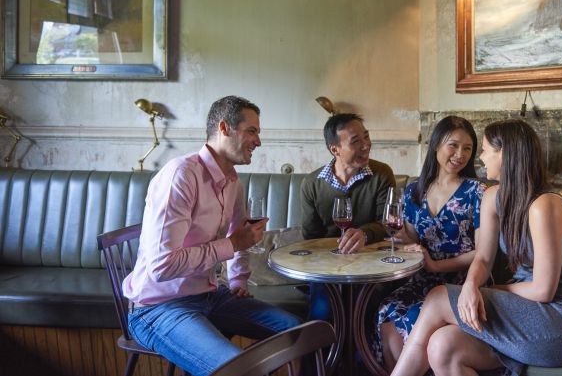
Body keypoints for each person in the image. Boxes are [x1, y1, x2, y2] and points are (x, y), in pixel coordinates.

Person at [390, 119, 562, 376]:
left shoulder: (544, 205)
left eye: (485, 150)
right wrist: (472, 285)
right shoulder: (491, 197)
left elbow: (543, 290)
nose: (480, 158)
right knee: (443, 346)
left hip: (559, 323)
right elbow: (483, 258)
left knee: (438, 297)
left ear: (505, 154)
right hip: (521, 313)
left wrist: (485, 291)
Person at [123, 96, 301, 376]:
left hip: (210, 294)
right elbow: (162, 266)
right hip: (158, 307)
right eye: (252, 131)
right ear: (224, 128)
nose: (258, 141)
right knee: (244, 369)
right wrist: (230, 245)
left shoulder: (233, 181)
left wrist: (238, 278)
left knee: (302, 335)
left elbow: (239, 235)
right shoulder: (180, 176)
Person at [374, 116, 485, 371]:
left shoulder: (476, 192)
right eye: (453, 146)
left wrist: (436, 264)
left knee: (410, 320)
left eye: (467, 148)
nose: (460, 154)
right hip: (422, 280)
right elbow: (414, 239)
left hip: (462, 283)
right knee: (387, 311)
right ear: (436, 145)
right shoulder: (415, 190)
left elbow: (483, 253)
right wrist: (403, 239)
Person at [300, 113, 396, 319]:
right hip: (327, 267)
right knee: (323, 312)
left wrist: (365, 234)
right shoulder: (311, 184)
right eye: (356, 141)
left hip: (370, 263)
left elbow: (386, 223)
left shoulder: (381, 174)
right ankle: (322, 352)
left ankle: (361, 351)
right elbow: (311, 238)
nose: (365, 145)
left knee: (366, 309)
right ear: (335, 149)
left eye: (366, 137)